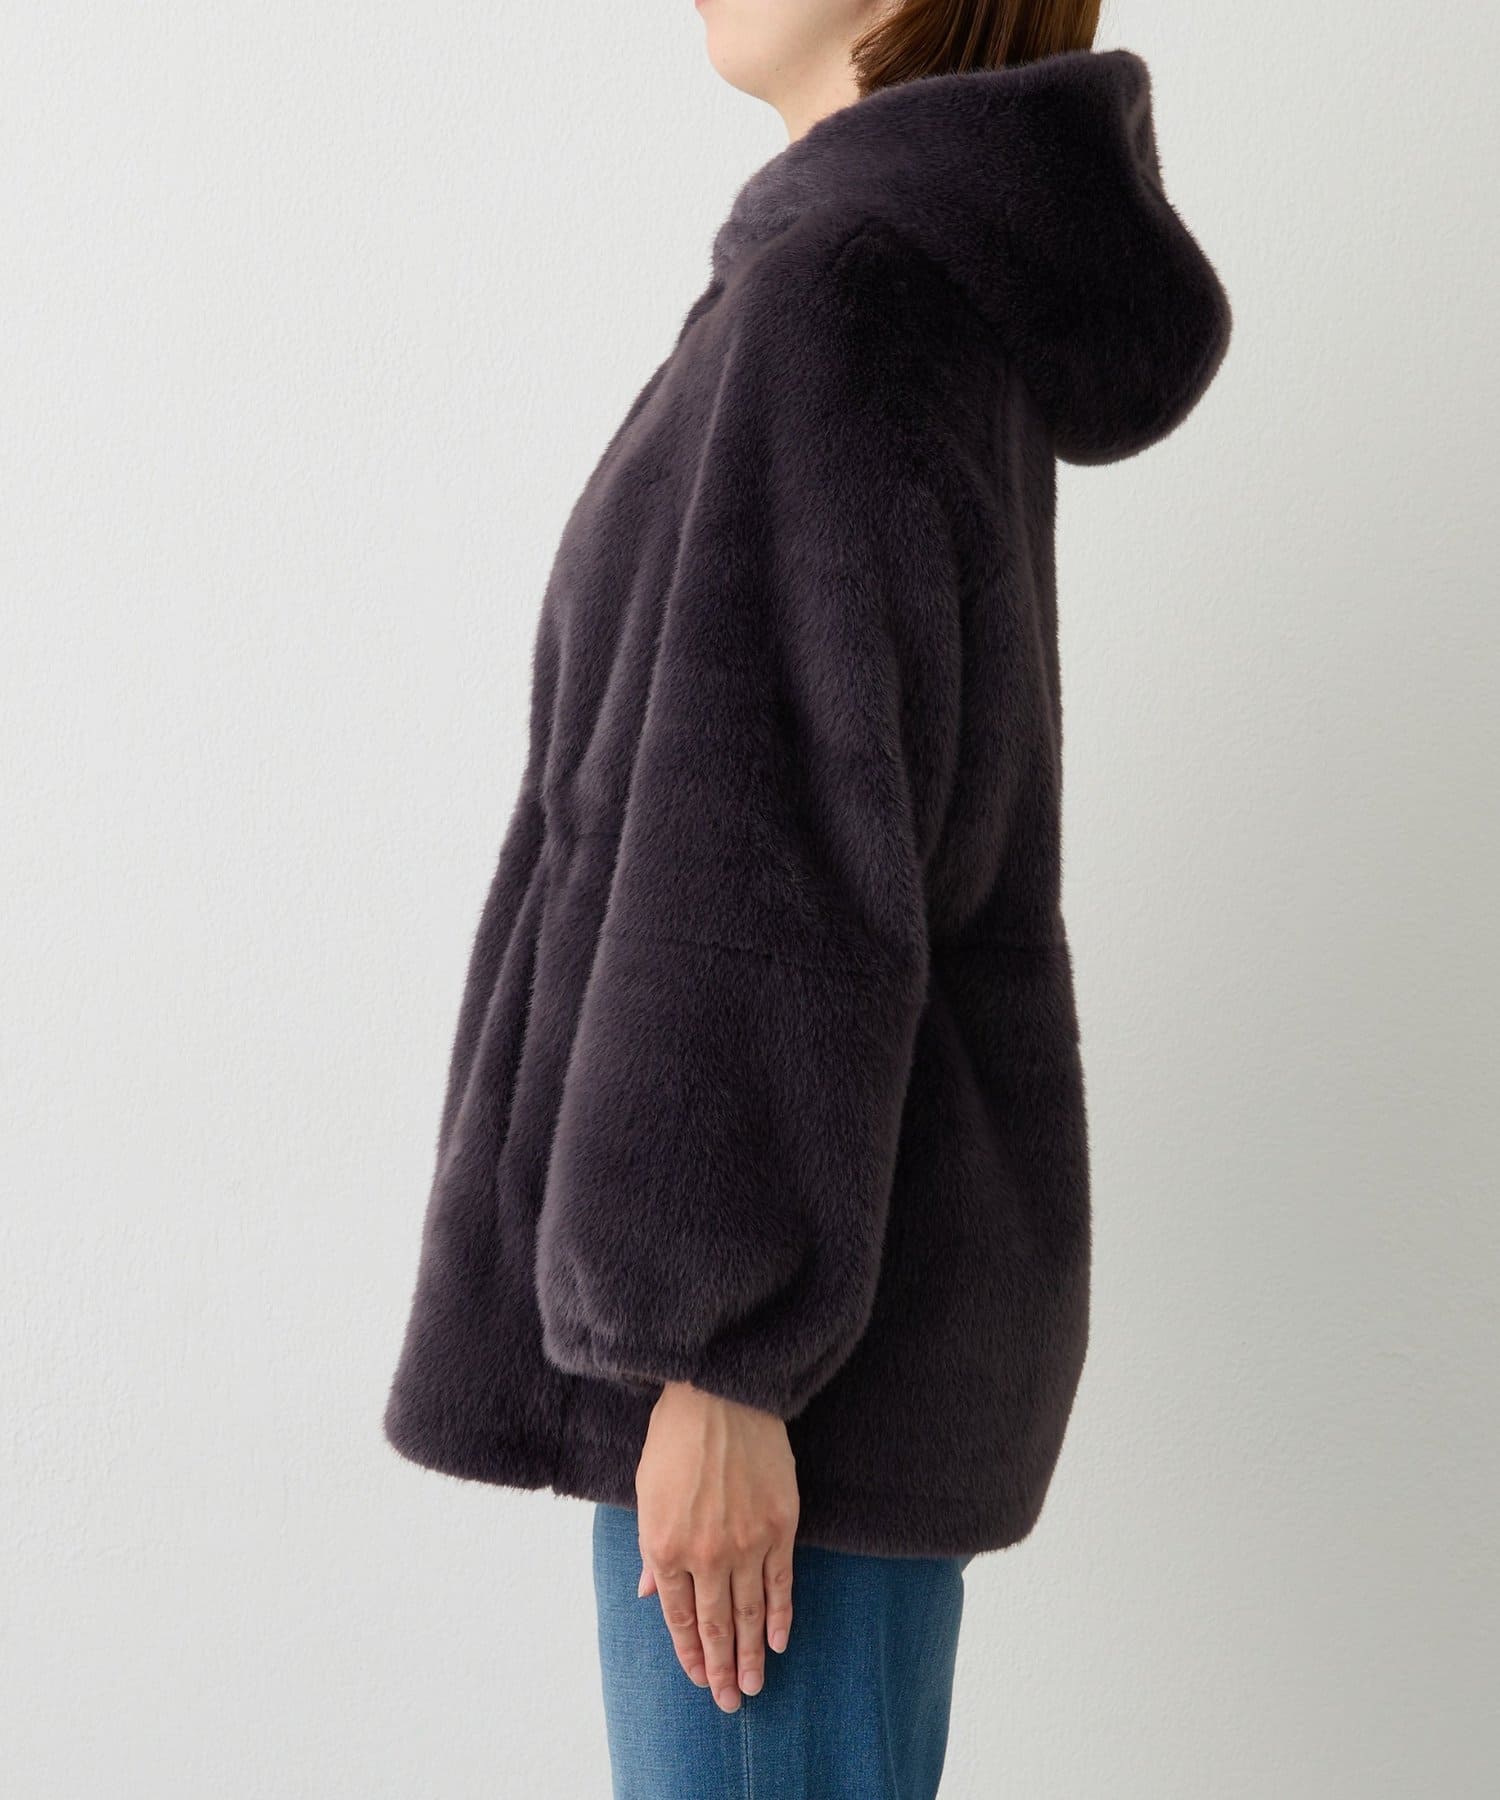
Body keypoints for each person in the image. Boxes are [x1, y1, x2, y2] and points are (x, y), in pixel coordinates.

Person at [384, 2, 1231, 1793]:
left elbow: (768, 848)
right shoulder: (890, 279)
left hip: (773, 1392)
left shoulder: (837, 297)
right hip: (814, 1354)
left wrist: (716, 1352)